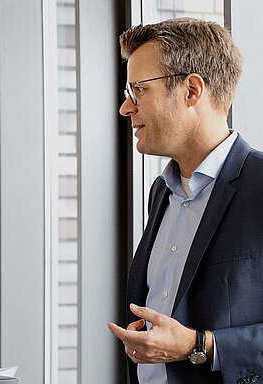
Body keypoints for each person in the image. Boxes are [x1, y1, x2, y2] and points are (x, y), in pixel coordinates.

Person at [107, 18, 263, 384]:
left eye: (137, 90)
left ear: (192, 90)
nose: (125, 108)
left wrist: (200, 345)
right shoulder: (161, 192)